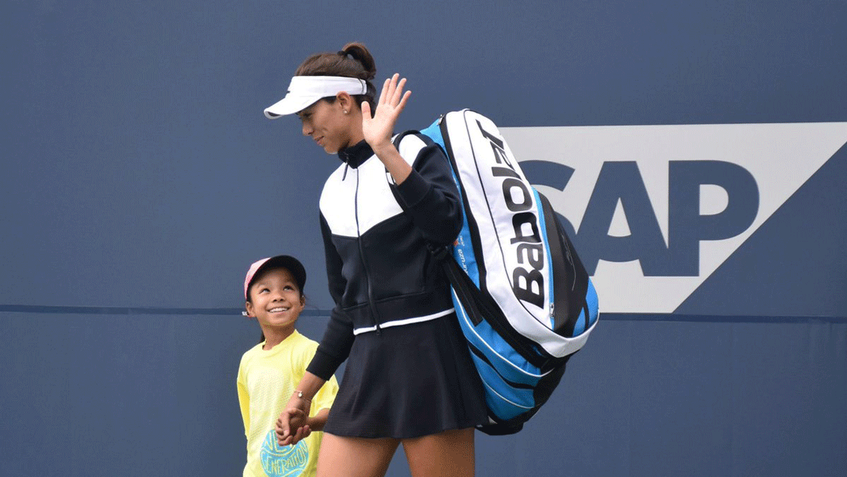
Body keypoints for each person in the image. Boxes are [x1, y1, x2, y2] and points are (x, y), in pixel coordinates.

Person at [263, 42, 488, 477]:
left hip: (431, 363)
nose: (306, 130)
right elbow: (349, 309)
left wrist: (386, 150)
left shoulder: (413, 150)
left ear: (344, 102)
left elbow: (446, 224)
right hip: (366, 372)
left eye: (309, 115)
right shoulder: (331, 191)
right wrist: (303, 395)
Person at [237, 255, 339, 477]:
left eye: (287, 288)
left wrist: (308, 424)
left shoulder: (311, 352)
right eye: (265, 290)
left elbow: (333, 410)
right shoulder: (248, 360)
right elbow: (252, 427)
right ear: (250, 308)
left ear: (301, 302)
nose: (278, 297)